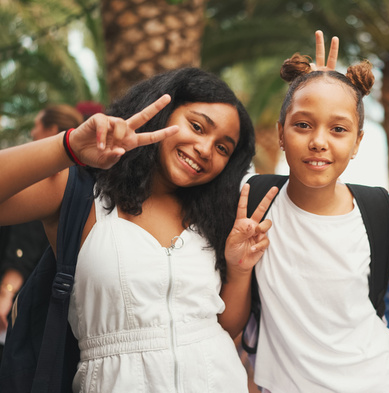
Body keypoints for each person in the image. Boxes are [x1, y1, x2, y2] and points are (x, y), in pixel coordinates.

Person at [0, 68, 278, 392]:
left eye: (223, 148)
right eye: (198, 126)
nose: (205, 149)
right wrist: (69, 147)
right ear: (161, 113)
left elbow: (226, 325)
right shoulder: (80, 193)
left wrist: (240, 270)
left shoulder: (213, 217)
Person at [246, 40, 389, 392]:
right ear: (280, 133)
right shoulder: (251, 200)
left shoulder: (386, 214)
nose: (319, 141)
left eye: (338, 129)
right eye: (303, 125)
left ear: (357, 143)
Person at [0, 104, 84, 362]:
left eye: (38, 125)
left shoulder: (53, 179)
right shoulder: (80, 179)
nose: (33, 132)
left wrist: (6, 293)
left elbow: (24, 245)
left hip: (27, 300)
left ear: (51, 130)